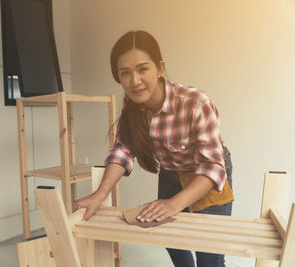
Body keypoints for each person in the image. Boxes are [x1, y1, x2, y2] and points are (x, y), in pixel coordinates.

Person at [75, 30, 234, 267]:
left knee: (209, 255)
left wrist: (174, 204)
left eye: (142, 69)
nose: (134, 81)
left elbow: (213, 167)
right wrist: (100, 194)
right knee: (171, 241)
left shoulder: (196, 102)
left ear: (160, 68)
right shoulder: (133, 104)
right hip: (171, 174)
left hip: (207, 177)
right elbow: (123, 150)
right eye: (125, 73)